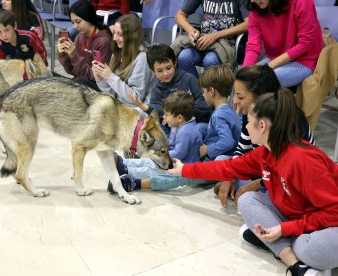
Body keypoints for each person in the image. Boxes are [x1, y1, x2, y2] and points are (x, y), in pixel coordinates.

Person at [168, 88, 338, 276]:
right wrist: (184, 169)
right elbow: (228, 167)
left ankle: (287, 246)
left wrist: (285, 228)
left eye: (248, 121)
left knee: (308, 249)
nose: (246, 127)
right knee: (247, 200)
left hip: (330, 221)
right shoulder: (265, 153)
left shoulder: (302, 160)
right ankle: (297, 265)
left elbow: (334, 213)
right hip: (303, 217)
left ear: (262, 126)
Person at [113, 64, 241, 192]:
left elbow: (227, 141)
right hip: (212, 158)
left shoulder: (219, 115)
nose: (202, 95)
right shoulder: (226, 111)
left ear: (211, 91)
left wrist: (208, 149)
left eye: (203, 91)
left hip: (213, 160)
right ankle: (125, 165)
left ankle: (131, 175)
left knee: (169, 173)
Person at [215, 64, 315, 209]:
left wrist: (259, 183)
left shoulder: (291, 122)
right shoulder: (249, 113)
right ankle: (242, 189)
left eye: (240, 96)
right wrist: (229, 175)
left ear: (260, 96)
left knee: (248, 200)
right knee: (221, 161)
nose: (235, 102)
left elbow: (290, 175)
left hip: (285, 184)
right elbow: (242, 149)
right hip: (262, 171)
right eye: (235, 94)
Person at [107, 91, 204, 193]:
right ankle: (122, 163)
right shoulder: (181, 126)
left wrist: (160, 155)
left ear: (179, 118)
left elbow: (179, 153)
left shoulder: (186, 132)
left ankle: (127, 170)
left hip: (181, 166)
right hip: (173, 161)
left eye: (167, 115)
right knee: (149, 161)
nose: (164, 117)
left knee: (152, 168)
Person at [127, 43, 211, 137]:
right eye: (160, 71)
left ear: (174, 63)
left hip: (195, 125)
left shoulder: (189, 79)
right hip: (170, 128)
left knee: (197, 129)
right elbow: (157, 112)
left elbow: (204, 104)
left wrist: (180, 113)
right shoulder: (156, 89)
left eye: (168, 67)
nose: (165, 73)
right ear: (152, 71)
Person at [243, 0, 323, 87]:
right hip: (275, 57)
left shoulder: (301, 2)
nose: (252, 1)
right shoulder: (256, 9)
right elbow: (253, 46)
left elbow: (305, 43)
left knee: (257, 82)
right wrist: (244, 72)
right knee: (242, 79)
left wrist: (268, 67)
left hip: (305, 60)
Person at [91, 14, 154, 111]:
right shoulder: (116, 54)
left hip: (136, 113)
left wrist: (110, 77)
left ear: (131, 36)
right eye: (114, 33)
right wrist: (100, 79)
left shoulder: (142, 58)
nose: (114, 38)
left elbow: (135, 99)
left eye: (120, 34)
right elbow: (113, 94)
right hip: (119, 107)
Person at [173, 0, 249, 78]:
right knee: (184, 57)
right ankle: (196, 89)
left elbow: (249, 23)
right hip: (203, 40)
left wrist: (216, 35)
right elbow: (180, 15)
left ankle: (213, 90)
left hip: (228, 43)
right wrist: (190, 30)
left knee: (210, 60)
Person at [57, 0, 111, 90]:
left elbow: (95, 76)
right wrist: (63, 54)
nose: (75, 26)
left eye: (78, 22)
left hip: (97, 88)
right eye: (73, 22)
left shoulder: (103, 42)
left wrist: (74, 57)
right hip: (81, 83)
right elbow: (72, 71)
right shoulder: (79, 37)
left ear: (89, 18)